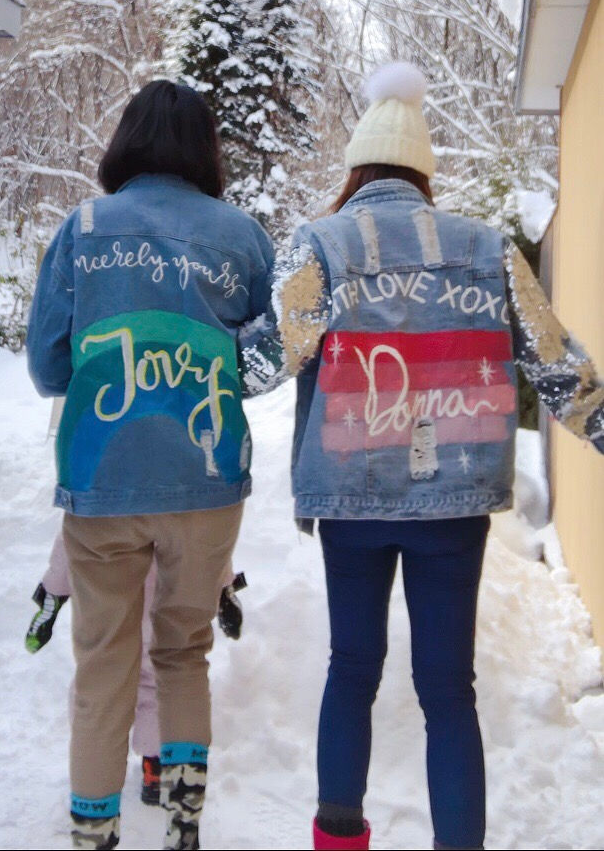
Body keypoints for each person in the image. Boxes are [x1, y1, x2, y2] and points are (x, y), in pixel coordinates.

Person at [239, 61, 604, 851]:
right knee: (450, 691)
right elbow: (553, 361)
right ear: (424, 175)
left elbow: (268, 362)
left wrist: (191, 360)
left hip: (351, 492)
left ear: (356, 169)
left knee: (352, 668)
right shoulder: (488, 250)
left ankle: (339, 840)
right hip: (455, 499)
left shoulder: (321, 245)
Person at [26, 80, 274, 851]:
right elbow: (265, 360)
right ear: (205, 148)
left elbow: (46, 364)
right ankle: (184, 821)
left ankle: (93, 834)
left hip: (104, 478)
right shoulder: (242, 236)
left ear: (125, 141)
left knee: (103, 663)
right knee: (182, 651)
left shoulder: (85, 227)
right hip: (207, 479)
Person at [25, 534, 247, 806]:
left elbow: (73, 535)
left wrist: (52, 594)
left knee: (100, 684)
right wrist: (224, 589)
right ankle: (156, 766)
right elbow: (205, 540)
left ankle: (95, 770)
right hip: (163, 605)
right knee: (158, 684)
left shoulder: (98, 496)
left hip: (108, 609)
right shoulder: (179, 501)